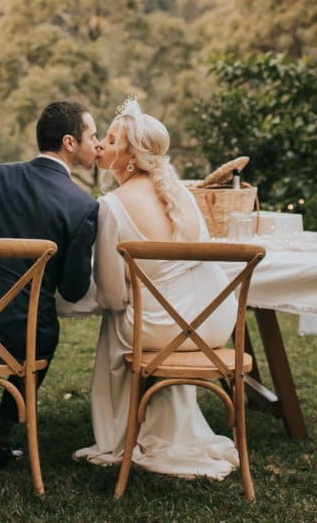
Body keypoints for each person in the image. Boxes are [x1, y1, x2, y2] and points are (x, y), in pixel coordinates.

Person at [74, 97, 241, 479]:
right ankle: (168, 422)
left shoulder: (112, 205)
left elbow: (112, 294)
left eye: (111, 140)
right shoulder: (183, 194)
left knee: (117, 319)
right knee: (155, 311)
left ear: (130, 158)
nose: (100, 146)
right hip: (212, 323)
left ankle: (120, 432)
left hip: (161, 330)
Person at [0, 99, 101, 468]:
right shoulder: (82, 205)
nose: (98, 144)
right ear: (70, 143)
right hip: (27, 331)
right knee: (32, 333)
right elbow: (73, 290)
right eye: (93, 135)